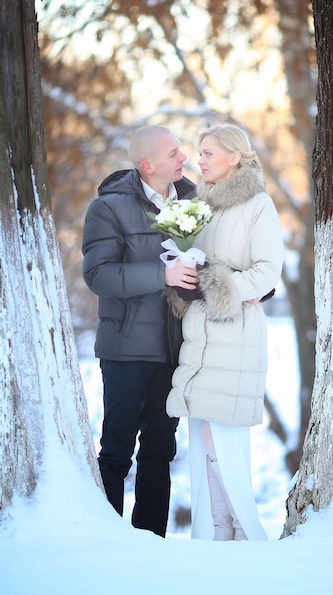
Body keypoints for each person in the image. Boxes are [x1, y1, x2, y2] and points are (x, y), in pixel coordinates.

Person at [165, 124, 284, 541]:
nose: (200, 160)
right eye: (199, 153)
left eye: (208, 153)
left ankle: (243, 532)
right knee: (202, 438)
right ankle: (216, 534)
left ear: (235, 156)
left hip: (235, 334)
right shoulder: (198, 204)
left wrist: (222, 288)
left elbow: (267, 271)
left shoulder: (258, 205)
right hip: (198, 336)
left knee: (224, 440)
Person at [82, 125, 199, 537]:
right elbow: (99, 276)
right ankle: (107, 539)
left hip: (175, 350)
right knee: (116, 451)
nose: (183, 158)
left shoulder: (192, 201)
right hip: (126, 349)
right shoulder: (109, 209)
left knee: (160, 452)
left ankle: (151, 541)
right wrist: (162, 274)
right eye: (173, 153)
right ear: (148, 165)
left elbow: (210, 260)